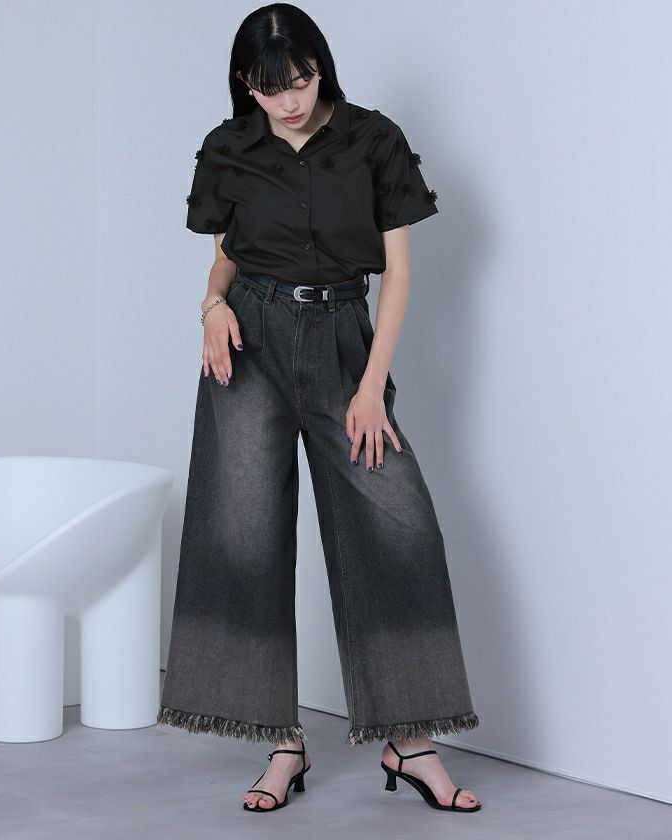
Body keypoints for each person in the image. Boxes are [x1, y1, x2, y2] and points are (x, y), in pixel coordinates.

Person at [158, 2, 482, 815]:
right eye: (271, 88)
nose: (290, 100)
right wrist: (210, 308)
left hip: (343, 341)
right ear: (247, 84)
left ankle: (410, 743)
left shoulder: (373, 139)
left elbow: (399, 273)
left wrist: (370, 387)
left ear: (320, 69)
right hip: (247, 344)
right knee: (245, 530)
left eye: (300, 80)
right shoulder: (230, 148)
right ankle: (282, 744)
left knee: (400, 526)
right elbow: (226, 257)